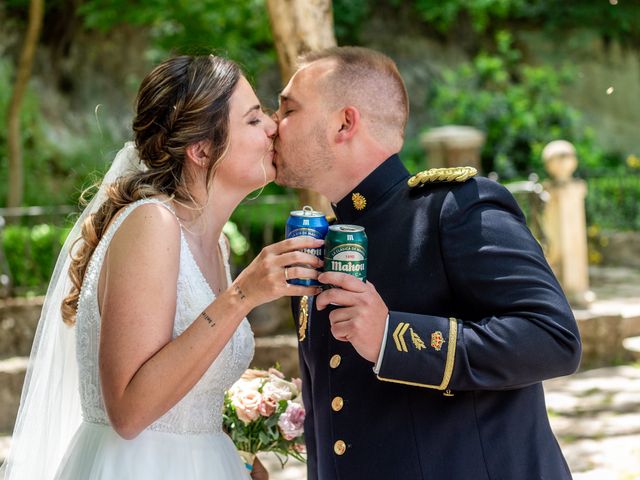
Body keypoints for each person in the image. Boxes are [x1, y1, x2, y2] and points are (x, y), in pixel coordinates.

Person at [0, 54, 323, 480]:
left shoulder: (218, 246)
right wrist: (243, 295)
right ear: (202, 149)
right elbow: (129, 412)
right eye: (252, 119)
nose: (271, 126)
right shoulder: (152, 224)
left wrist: (233, 448)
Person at [273, 46, 582, 479]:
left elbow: (553, 338)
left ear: (344, 123)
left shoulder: (453, 208)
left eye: (287, 109)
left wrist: (390, 338)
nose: (273, 124)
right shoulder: (317, 244)